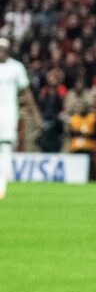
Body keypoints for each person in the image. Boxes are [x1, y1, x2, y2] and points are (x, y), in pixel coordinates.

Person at [0, 36, 41, 199]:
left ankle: (2, 182)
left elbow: (26, 92)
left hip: (8, 113)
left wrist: (35, 114)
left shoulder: (16, 68)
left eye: (3, 49)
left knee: (6, 146)